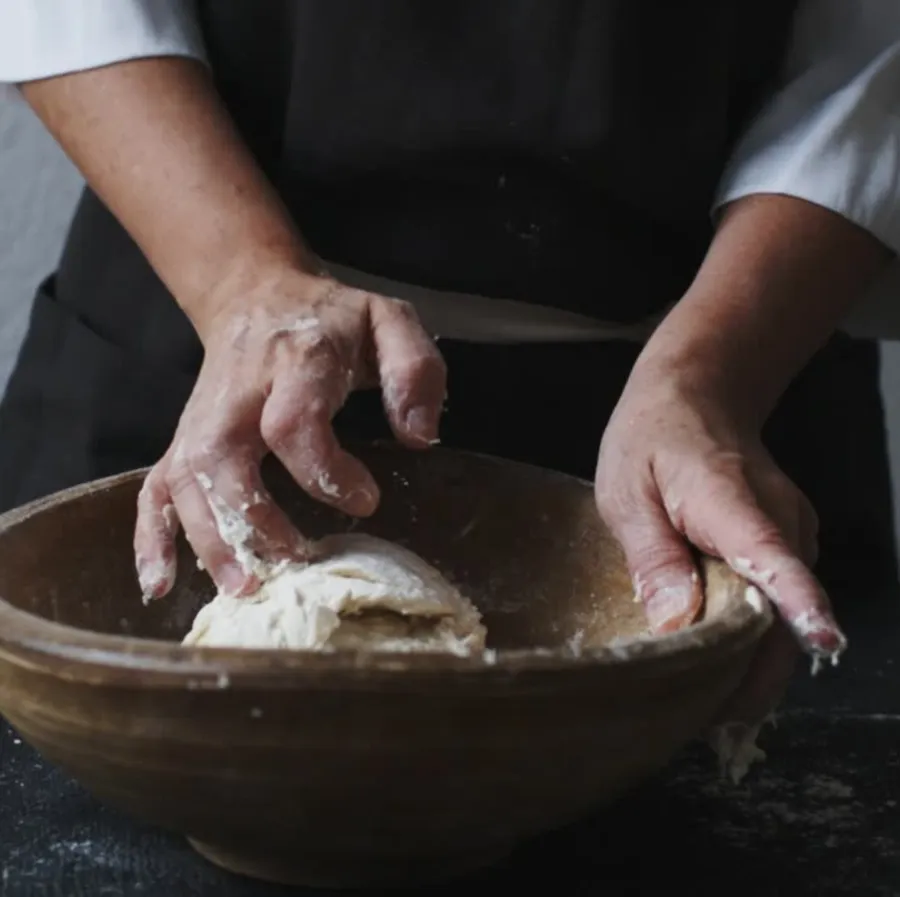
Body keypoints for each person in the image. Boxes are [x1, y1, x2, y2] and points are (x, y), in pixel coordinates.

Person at [0, 0, 898, 754]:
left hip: (727, 369)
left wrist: (711, 375)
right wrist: (242, 283)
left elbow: (872, 44)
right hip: (202, 340)